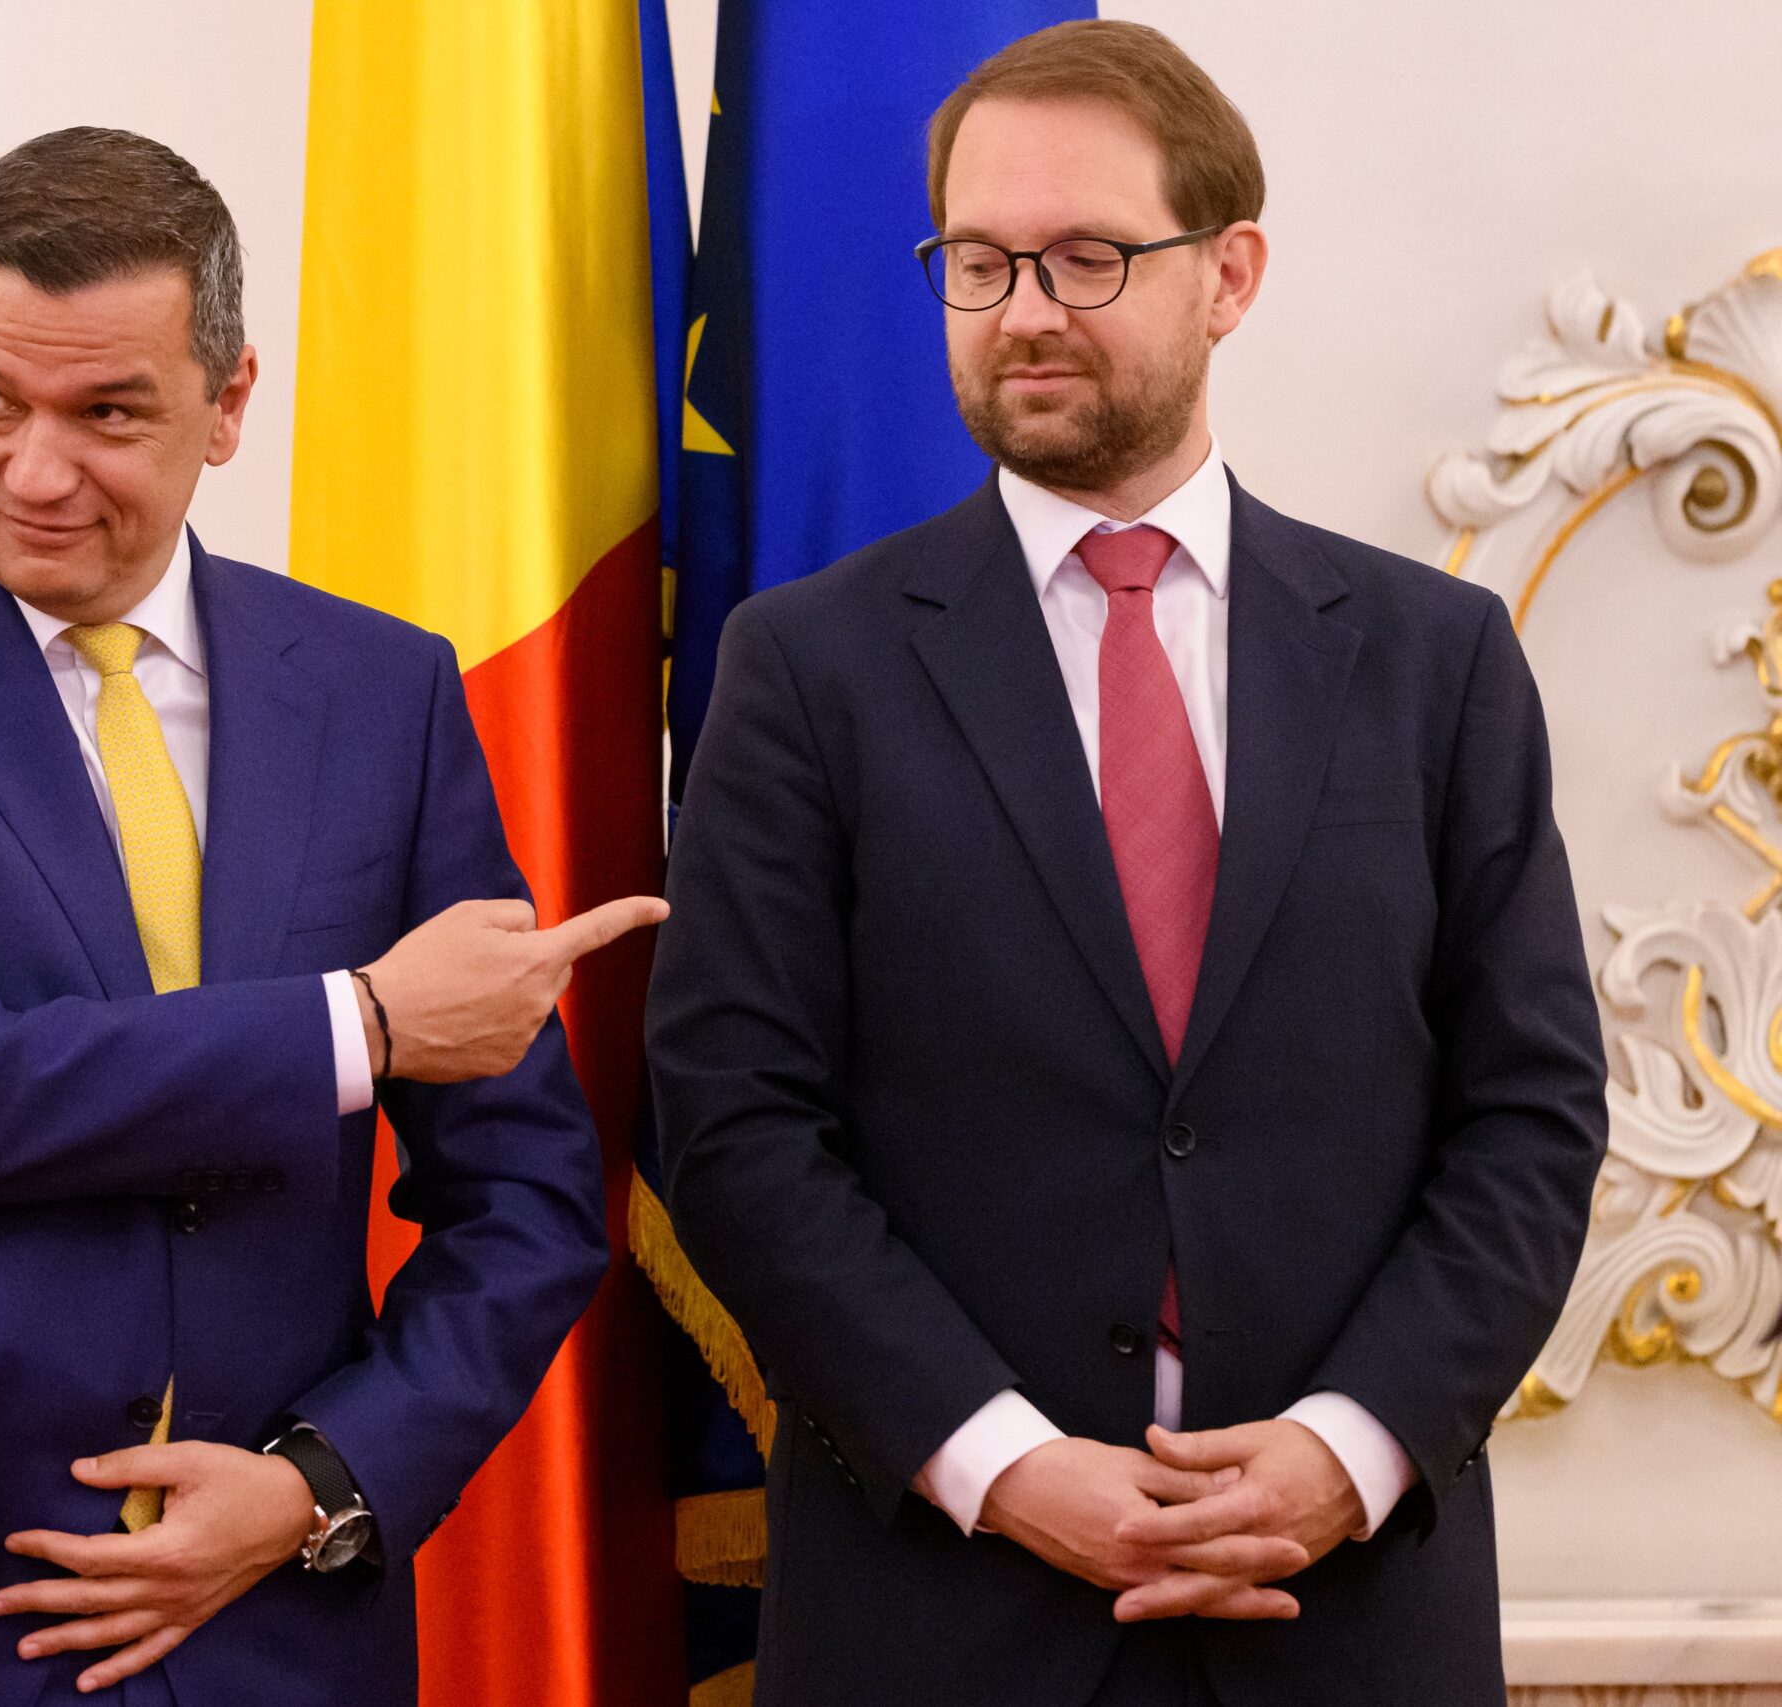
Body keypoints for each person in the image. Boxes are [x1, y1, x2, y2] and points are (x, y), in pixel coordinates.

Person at [0, 127, 662, 1707]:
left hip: (263, 1619)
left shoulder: (380, 690)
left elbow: (526, 1201)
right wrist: (363, 1023)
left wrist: (320, 1485)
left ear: (228, 403)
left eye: (106, 413)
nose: (35, 471)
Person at [645, 21, 1606, 1706]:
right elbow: (736, 1126)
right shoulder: (805, 668)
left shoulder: (1433, 660)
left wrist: (1348, 1447)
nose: (1023, 309)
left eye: (1087, 256)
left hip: (1341, 1619)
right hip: (938, 1619)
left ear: (1229, 275)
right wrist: (1004, 1464)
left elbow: (1529, 1114)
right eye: (979, 261)